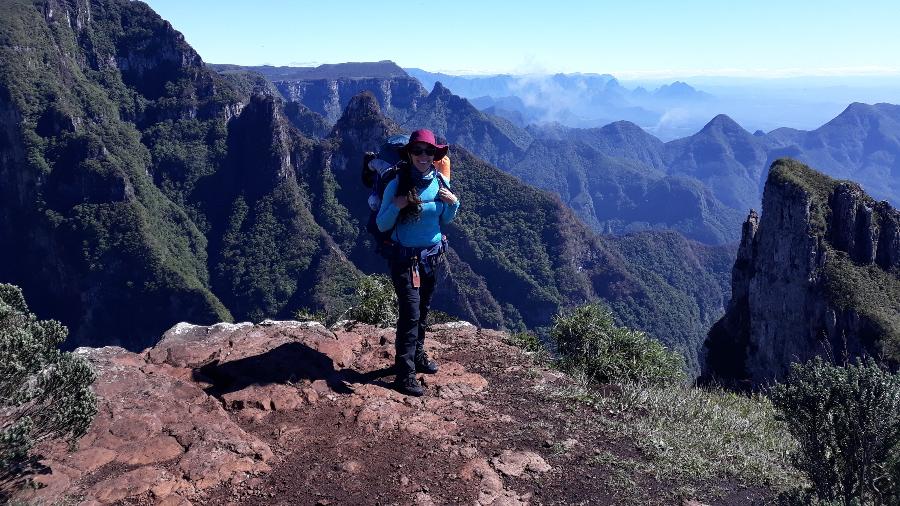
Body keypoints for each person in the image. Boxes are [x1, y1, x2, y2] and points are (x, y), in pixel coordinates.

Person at [376, 129, 460, 396]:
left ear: (435, 155)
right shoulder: (397, 185)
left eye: (429, 151)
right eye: (418, 151)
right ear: (410, 154)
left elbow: (445, 220)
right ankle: (404, 374)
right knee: (410, 315)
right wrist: (397, 206)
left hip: (431, 258)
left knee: (422, 310)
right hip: (405, 261)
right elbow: (381, 224)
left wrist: (454, 204)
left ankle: (419, 356)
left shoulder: (439, 183)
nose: (424, 156)